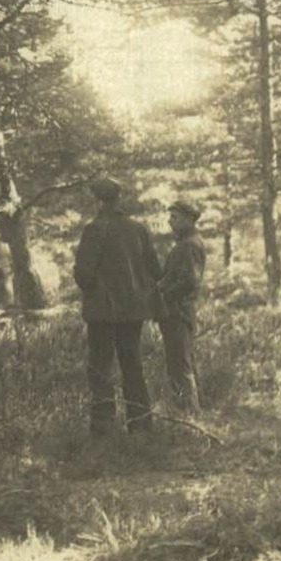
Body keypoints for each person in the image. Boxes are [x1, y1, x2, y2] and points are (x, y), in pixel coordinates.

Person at [72, 177, 162, 436]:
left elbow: (83, 274)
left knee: (100, 367)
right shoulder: (138, 229)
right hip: (133, 311)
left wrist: (93, 291)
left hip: (102, 313)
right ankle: (141, 424)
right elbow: (155, 269)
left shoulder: (94, 229)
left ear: (97, 200)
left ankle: (103, 428)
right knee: (132, 364)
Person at [157, 200, 207, 415]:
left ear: (188, 219)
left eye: (175, 217)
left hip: (178, 311)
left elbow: (188, 282)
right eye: (171, 217)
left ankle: (189, 412)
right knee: (182, 360)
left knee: (180, 363)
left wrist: (162, 296)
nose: (170, 222)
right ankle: (192, 408)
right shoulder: (186, 243)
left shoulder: (190, 245)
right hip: (177, 310)